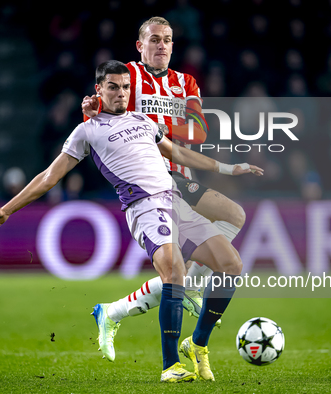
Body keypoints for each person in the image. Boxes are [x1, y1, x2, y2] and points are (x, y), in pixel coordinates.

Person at [0, 61, 263, 382]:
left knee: (231, 265)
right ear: (98, 89)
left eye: (126, 87)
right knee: (174, 270)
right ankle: (171, 366)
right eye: (113, 87)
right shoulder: (87, 130)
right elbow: (48, 177)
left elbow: (179, 155)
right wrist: (7, 209)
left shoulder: (143, 120)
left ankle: (197, 343)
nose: (121, 93)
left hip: (175, 200)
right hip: (144, 206)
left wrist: (228, 168)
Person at [82, 16, 250, 362]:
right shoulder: (125, 77)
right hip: (151, 178)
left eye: (168, 40)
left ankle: (112, 312)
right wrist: (92, 112)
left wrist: (151, 122)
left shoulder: (185, 82)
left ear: (173, 46)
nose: (162, 45)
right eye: (155, 39)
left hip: (179, 174)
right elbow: (99, 118)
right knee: (181, 271)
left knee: (231, 218)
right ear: (140, 46)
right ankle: (166, 331)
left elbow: (199, 132)